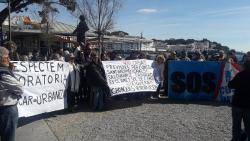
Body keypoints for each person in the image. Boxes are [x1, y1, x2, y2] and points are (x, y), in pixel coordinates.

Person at [0, 47, 23, 141]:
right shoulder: (3, 75)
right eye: (7, 57)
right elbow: (20, 89)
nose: (9, 59)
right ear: (1, 59)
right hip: (6, 111)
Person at [228, 54, 250, 141]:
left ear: (244, 66)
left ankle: (236, 139)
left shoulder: (240, 75)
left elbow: (230, 85)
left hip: (237, 103)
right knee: (248, 126)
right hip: (249, 105)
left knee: (236, 125)